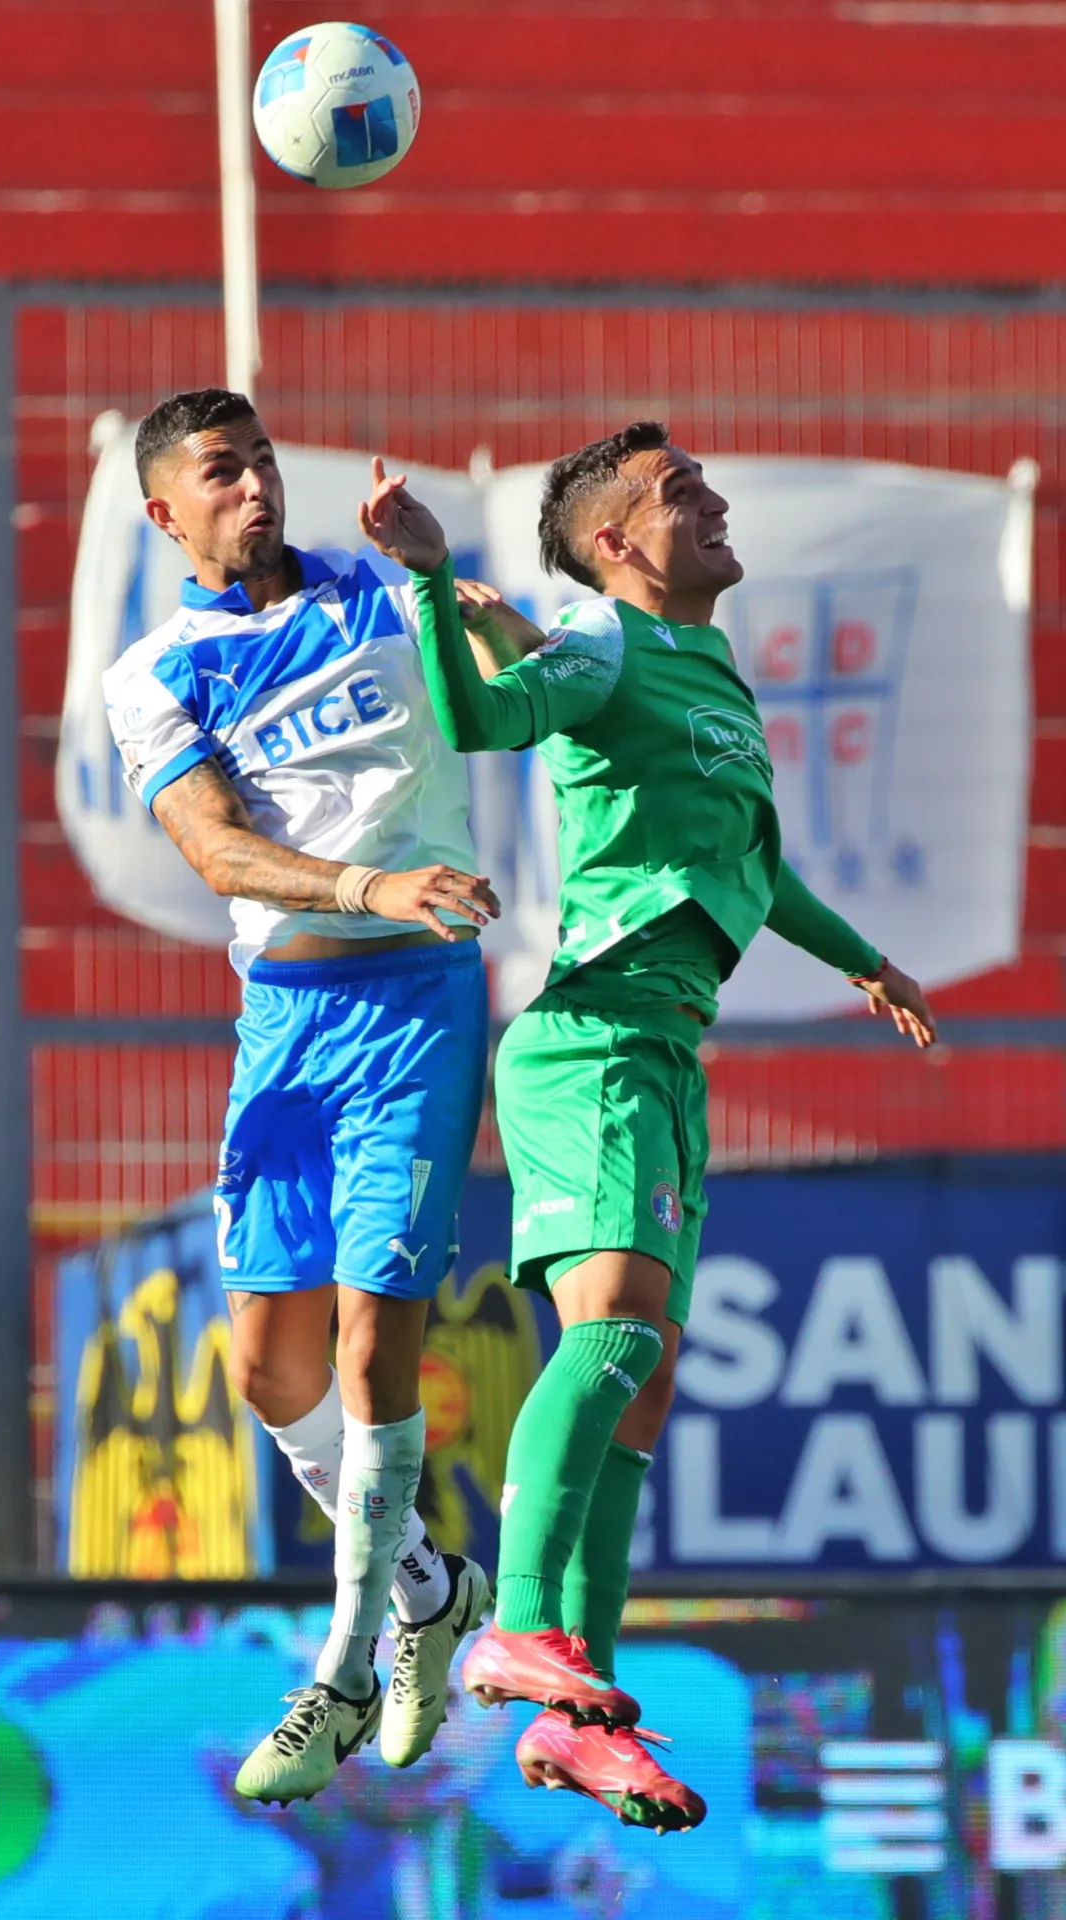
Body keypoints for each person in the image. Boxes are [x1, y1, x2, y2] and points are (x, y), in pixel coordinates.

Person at [358, 422, 937, 1835]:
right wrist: (431, 582)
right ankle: (516, 1628)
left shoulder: (707, 666)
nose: (716, 499)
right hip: (591, 1041)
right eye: (681, 492)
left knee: (648, 1377)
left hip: (668, 1056)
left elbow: (753, 864)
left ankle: (580, 1717)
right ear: (616, 543)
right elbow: (485, 721)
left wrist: (866, 961)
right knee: (613, 1337)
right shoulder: (604, 642)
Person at [103, 387, 503, 1805]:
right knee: (269, 1367)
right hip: (284, 1021)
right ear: (166, 512)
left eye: (263, 461)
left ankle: (343, 1673)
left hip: (417, 1004)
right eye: (222, 472)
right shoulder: (154, 672)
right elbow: (216, 851)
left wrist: (450, 578)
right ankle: (430, 1591)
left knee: (370, 1338)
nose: (256, 487)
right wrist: (364, 884)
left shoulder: (385, 596)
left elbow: (531, 678)